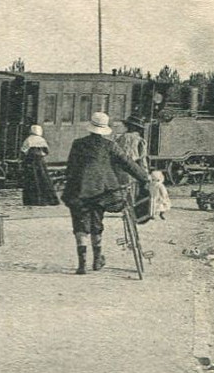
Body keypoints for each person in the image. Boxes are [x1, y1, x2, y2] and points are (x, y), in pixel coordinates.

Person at [62, 112, 150, 275]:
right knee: (96, 222)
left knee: (80, 224)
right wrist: (145, 178)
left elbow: (70, 167)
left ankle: (82, 264)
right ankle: (97, 260)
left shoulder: (78, 144)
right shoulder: (110, 146)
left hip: (78, 190)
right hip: (101, 192)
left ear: (90, 128)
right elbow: (128, 164)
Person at [20, 124, 60, 206]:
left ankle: (32, 201)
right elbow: (47, 151)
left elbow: (23, 150)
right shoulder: (42, 140)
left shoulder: (28, 140)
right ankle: (47, 200)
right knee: (43, 179)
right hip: (40, 162)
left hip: (30, 162)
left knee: (32, 180)